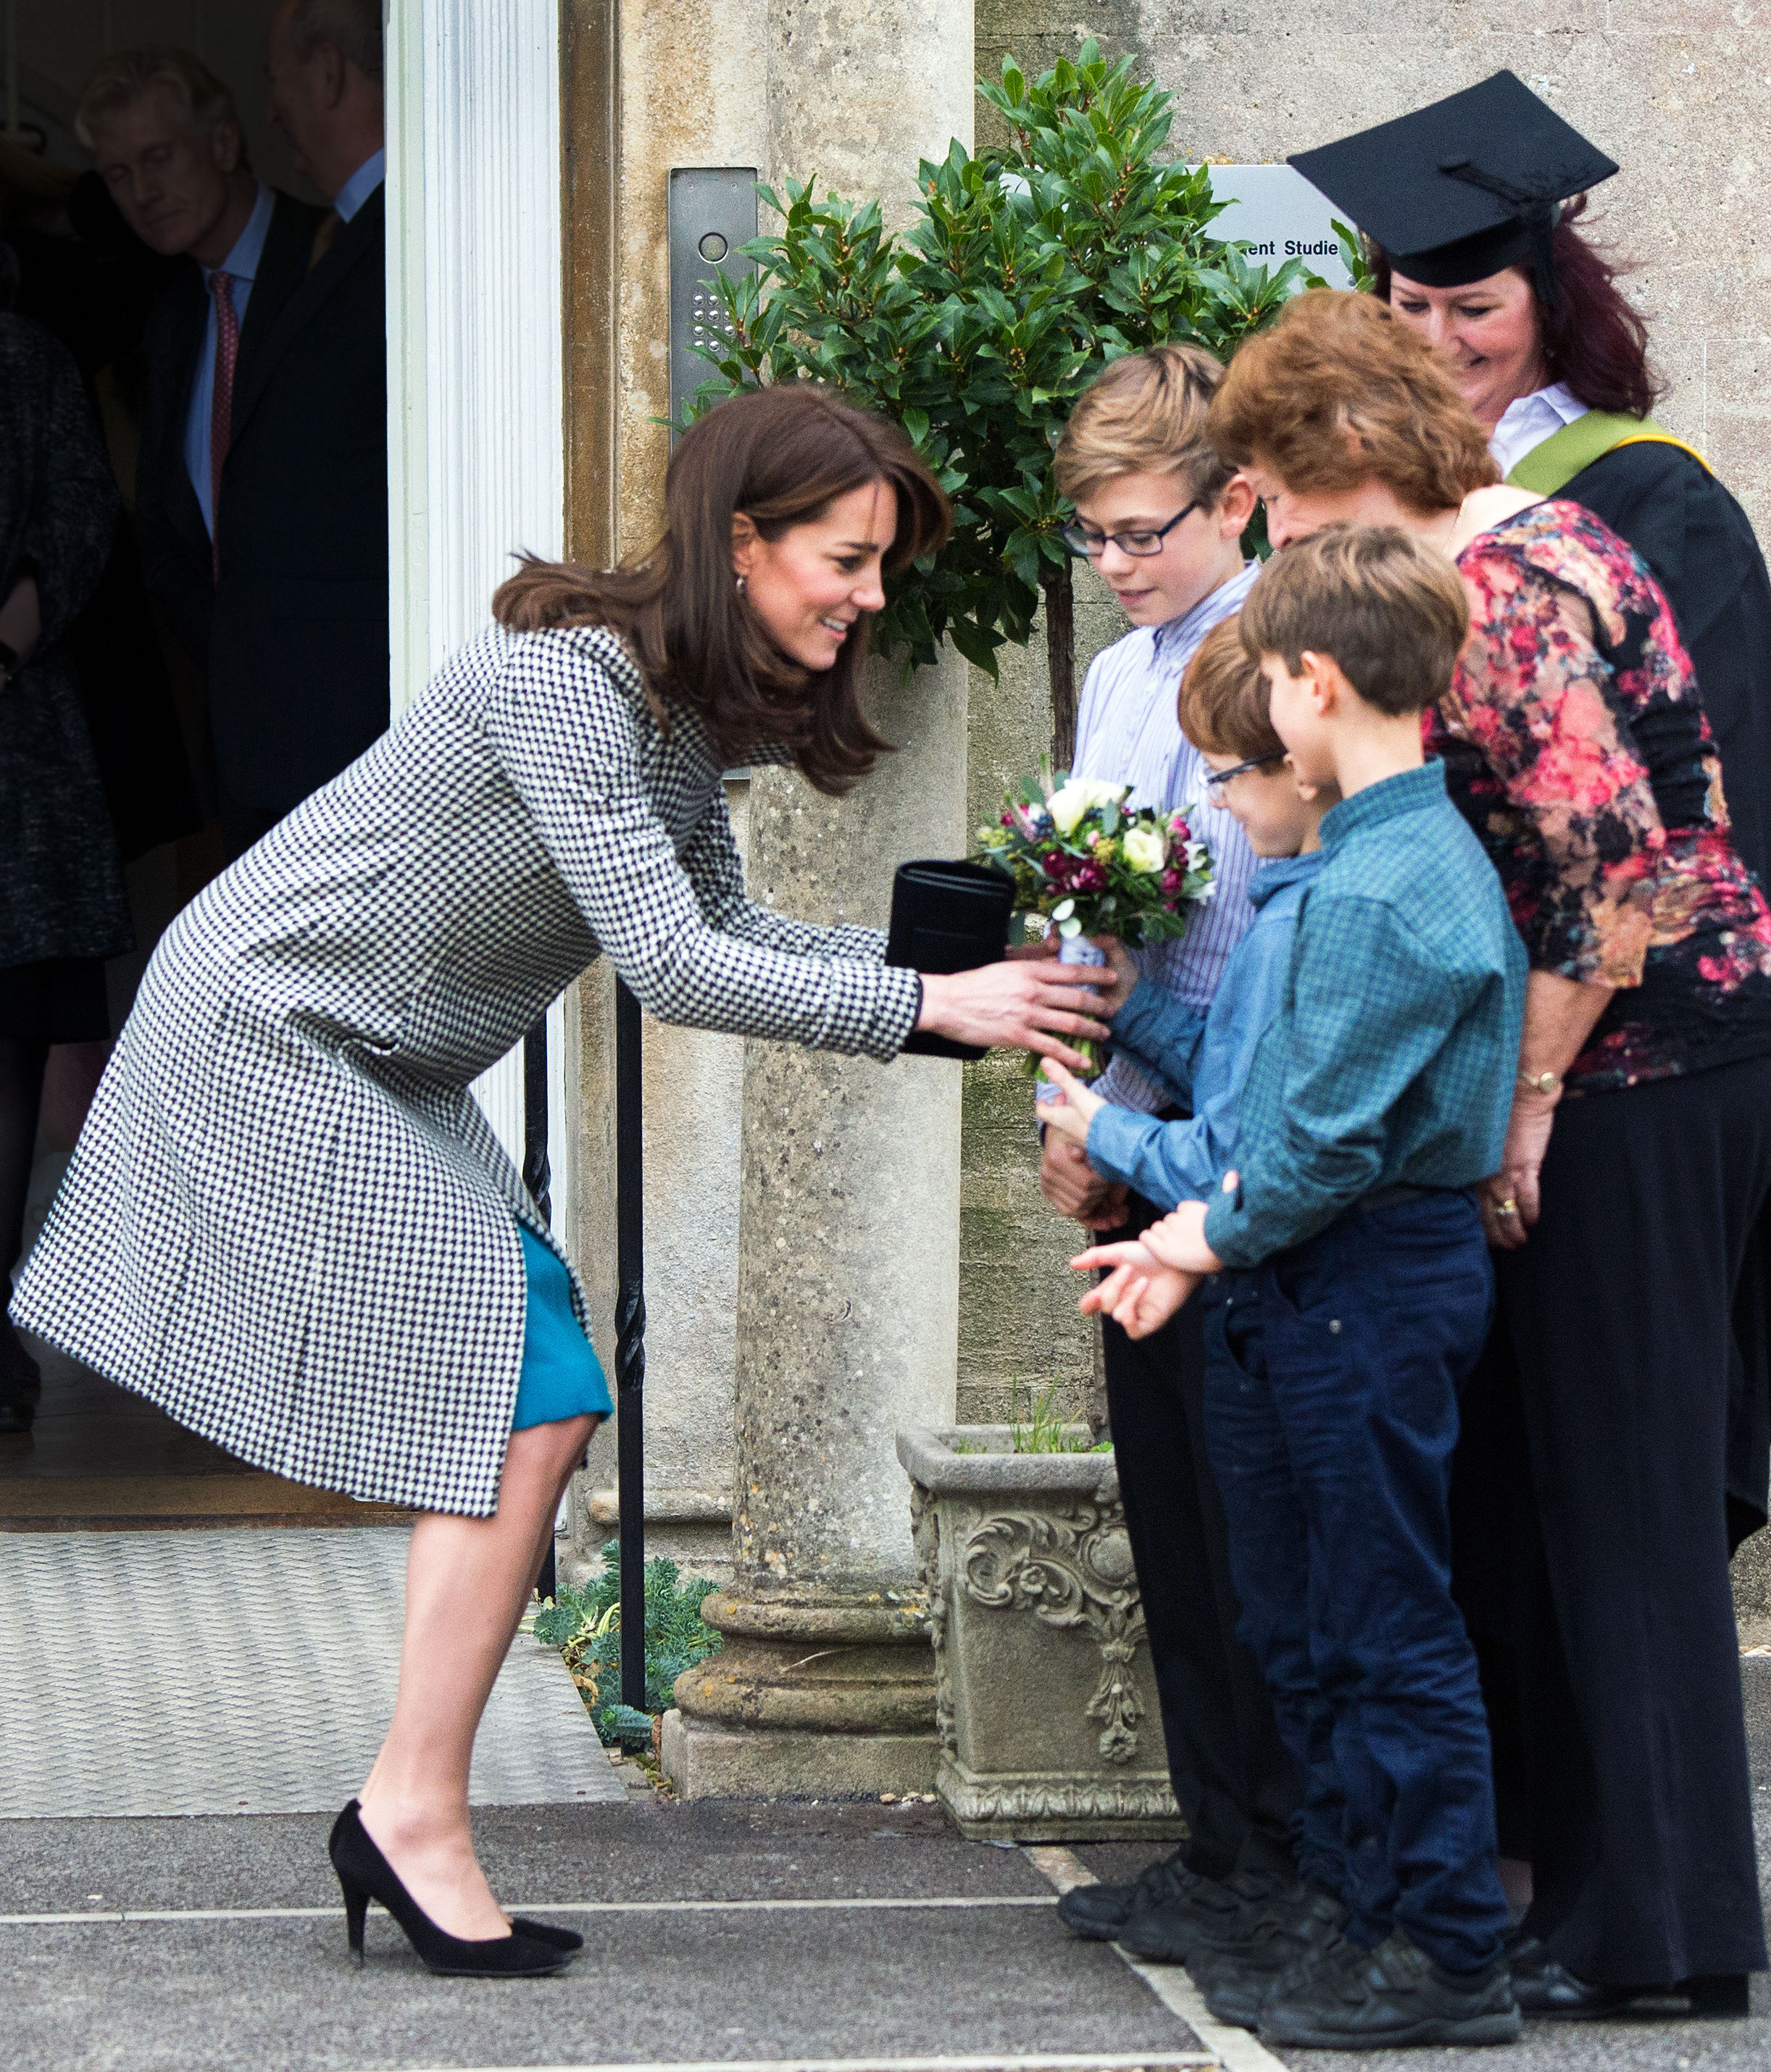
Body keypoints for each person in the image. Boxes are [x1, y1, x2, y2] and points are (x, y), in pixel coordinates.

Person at [14, 384, 1109, 1976]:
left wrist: (946, 984)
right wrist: (929, 1005)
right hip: (272, 1026)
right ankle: (410, 1807)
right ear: (744, 543)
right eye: (849, 558)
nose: (872, 596)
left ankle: (408, 1800)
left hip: (376, 1055)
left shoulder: (675, 714)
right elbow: (670, 966)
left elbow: (724, 930)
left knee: (537, 1378)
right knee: (533, 1372)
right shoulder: (567, 685)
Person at [1207, 286, 1771, 2015]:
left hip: (1646, 1070)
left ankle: (1663, 1928)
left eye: (1281, 488)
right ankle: (1594, 1893)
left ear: (1360, 453)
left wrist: (1520, 1112)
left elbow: (1626, 881)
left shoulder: (1505, 594)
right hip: (1628, 1060)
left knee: (1626, 1496)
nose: (1271, 525)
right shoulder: (1521, 550)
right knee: (1567, 1491)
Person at [1294, 72, 1771, 1551]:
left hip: (1615, 1052)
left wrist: (1552, 1058)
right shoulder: (1382, 508)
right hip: (1458, 1059)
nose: (1439, 342)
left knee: (1609, 1487)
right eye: (1407, 308)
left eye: (1473, 306)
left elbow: (1693, 818)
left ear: (1548, 303)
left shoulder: (1637, 500)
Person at [1072, 526, 1528, 2051]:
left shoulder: (1391, 889)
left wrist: (1177, 1236)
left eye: (1263, 678)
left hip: (1361, 1282)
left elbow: (1315, 1148)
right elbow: (1284, 1111)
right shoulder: (1352, 867)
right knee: (1304, 1620)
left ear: (1311, 684)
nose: (1253, 713)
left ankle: (1443, 1946)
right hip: (1308, 1282)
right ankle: (1352, 1906)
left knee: (1382, 1623)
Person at [1040, 346, 1301, 1956]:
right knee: (1171, 1519)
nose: (1122, 563)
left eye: (1145, 530)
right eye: (1095, 535)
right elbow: (1082, 907)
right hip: (1130, 1123)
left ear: (1237, 499)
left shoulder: (1280, 653)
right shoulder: (1117, 673)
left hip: (1241, 1135)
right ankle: (1212, 1844)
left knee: (1256, 1516)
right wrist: (1066, 1112)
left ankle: (1278, 1859)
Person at [78, 48, 327, 859]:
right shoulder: (176, 312)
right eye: (118, 175)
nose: (142, 195)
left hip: (347, 714)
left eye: (158, 159)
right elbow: (162, 521)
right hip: (240, 730)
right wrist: (228, 647)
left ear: (223, 143)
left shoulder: (334, 263)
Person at [0, 314, 132, 1434]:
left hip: (13, 748)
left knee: (8, 1052)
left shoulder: (23, 356)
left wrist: (8, 637)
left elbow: (84, 518)